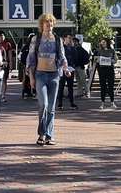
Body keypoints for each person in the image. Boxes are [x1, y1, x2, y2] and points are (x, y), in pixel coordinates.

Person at [25, 14, 68, 146]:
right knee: (43, 105)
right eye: (46, 23)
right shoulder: (35, 39)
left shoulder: (57, 39)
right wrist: (31, 77)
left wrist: (65, 68)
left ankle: (50, 135)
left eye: (51, 23)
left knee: (51, 108)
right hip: (40, 75)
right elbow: (31, 59)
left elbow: (61, 56)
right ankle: (42, 134)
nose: (49, 25)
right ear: (42, 24)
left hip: (54, 75)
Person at [59, 34, 81, 111]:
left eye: (71, 38)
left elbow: (76, 58)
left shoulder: (73, 48)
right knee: (61, 86)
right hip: (62, 69)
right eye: (68, 38)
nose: (70, 39)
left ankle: (72, 103)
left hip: (70, 69)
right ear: (64, 39)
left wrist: (73, 66)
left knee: (70, 87)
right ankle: (60, 103)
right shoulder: (61, 48)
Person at [95, 38, 117, 109]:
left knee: (111, 86)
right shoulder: (99, 51)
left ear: (107, 43)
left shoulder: (112, 50)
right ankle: (102, 103)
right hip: (102, 70)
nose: (102, 43)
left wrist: (110, 60)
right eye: (101, 42)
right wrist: (98, 60)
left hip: (110, 70)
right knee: (103, 87)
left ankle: (112, 102)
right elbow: (96, 60)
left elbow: (115, 60)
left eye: (104, 42)